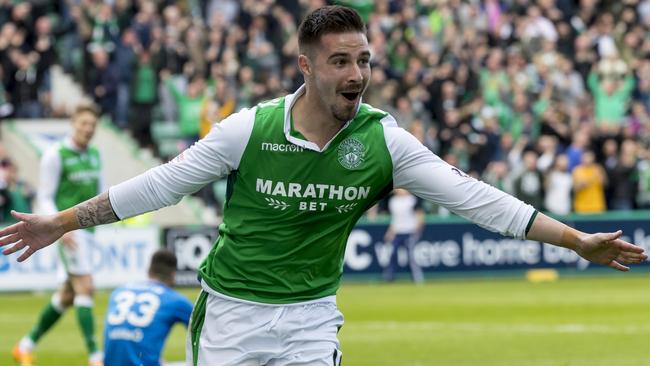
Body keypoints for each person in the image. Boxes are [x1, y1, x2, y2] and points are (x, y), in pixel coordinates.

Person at [0, 6, 647, 366]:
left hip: (312, 320)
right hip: (230, 315)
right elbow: (159, 187)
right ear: (305, 67)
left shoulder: (384, 140)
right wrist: (60, 222)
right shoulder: (246, 131)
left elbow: (480, 200)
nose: (357, 72)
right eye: (341, 61)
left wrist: (574, 242)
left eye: (362, 59)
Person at [11, 104, 104, 366]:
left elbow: (100, 192)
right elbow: (45, 197)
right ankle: (96, 357)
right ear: (73, 123)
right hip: (68, 232)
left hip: (89, 232)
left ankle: (24, 346)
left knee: (68, 295)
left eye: (92, 125)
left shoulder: (96, 154)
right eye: (83, 123)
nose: (88, 129)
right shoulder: (56, 154)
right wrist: (58, 227)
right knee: (86, 287)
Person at [103, 249, 193, 366]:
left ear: (149, 271)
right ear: (173, 275)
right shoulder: (175, 300)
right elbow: (203, 333)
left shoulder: (118, 291)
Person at [383, 189, 425, 283]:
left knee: (411, 256)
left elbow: (420, 216)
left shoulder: (412, 200)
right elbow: (394, 219)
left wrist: (417, 230)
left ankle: (417, 278)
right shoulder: (393, 201)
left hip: (410, 231)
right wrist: (390, 232)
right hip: (397, 232)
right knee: (393, 255)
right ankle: (389, 277)